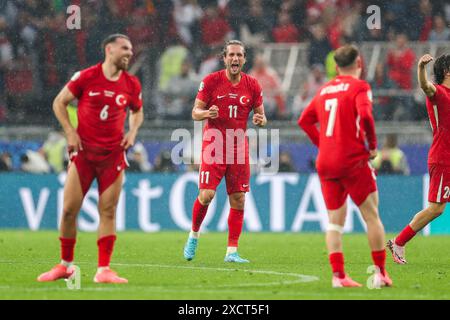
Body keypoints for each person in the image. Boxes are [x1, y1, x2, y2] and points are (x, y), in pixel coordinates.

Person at [37, 34, 144, 284]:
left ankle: (103, 269)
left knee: (108, 210)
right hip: (85, 154)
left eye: (131, 49)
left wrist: (133, 131)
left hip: (113, 156)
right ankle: (65, 266)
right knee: (68, 210)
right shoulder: (86, 76)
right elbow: (59, 102)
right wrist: (70, 132)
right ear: (109, 49)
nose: (130, 53)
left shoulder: (131, 83)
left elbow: (138, 113)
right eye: (125, 48)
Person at [298, 45, 392, 288]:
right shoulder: (360, 87)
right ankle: (380, 274)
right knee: (372, 216)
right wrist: (372, 145)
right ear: (359, 63)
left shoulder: (325, 89)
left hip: (327, 163)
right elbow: (367, 116)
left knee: (334, 222)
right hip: (352, 160)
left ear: (337, 67)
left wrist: (324, 145)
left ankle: (338, 276)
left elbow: (304, 120)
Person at [183, 40, 267, 263]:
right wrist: (206, 114)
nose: (235, 59)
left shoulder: (253, 85)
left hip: (239, 147)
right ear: (224, 58)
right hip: (214, 144)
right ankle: (194, 235)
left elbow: (262, 116)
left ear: (244, 59)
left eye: (239, 55)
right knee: (207, 195)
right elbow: (194, 112)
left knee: (238, 199)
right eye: (231, 55)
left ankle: (232, 251)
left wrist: (261, 120)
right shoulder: (211, 81)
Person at [387, 54, 450, 265]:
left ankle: (399, 242)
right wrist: (421, 67)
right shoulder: (438, 92)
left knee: (437, 208)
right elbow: (424, 86)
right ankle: (399, 242)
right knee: (436, 208)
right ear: (447, 72)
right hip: (443, 157)